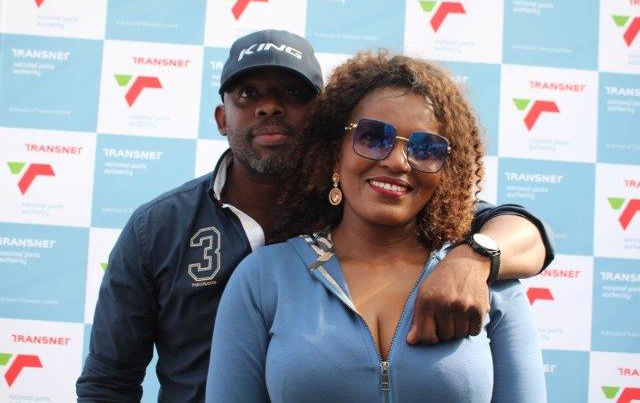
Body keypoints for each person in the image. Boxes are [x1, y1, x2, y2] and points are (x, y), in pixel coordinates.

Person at [77, 30, 553, 401]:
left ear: (319, 120)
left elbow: (525, 232)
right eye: (247, 94)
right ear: (221, 118)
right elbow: (108, 381)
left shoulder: (432, 228)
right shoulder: (161, 229)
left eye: (291, 92)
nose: (268, 106)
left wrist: (473, 260)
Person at [206, 51, 546, 402]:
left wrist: (471, 263)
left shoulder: (485, 280)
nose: (397, 162)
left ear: (445, 169)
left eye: (426, 147)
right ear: (335, 152)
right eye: (372, 137)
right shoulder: (263, 279)